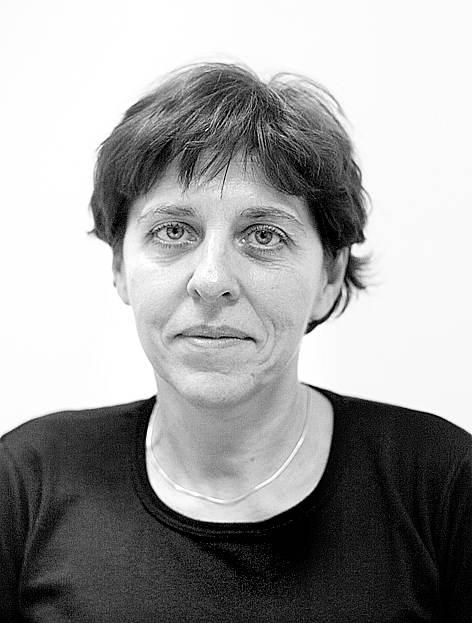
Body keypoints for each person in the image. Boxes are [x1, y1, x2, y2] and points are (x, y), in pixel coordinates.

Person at [1, 62, 470, 622]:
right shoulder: (26, 483)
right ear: (120, 267)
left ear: (329, 275)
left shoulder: (442, 485)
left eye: (263, 235)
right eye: (173, 231)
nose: (211, 280)